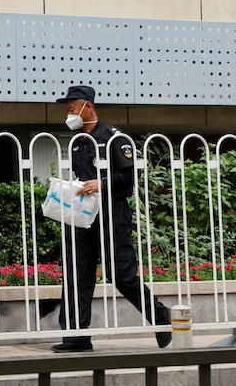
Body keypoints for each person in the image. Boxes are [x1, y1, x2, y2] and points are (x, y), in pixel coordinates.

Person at [52, 85, 172, 353]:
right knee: (76, 274)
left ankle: (161, 318)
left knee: (121, 275)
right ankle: (76, 336)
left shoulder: (115, 138)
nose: (69, 113)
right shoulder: (78, 142)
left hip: (111, 213)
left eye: (72, 108)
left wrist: (102, 183)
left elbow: (129, 178)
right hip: (81, 214)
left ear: (87, 107)